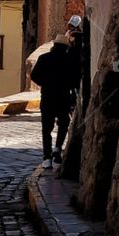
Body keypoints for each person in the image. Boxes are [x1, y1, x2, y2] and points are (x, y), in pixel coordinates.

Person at [30, 34, 78, 170]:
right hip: (63, 97)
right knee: (64, 123)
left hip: (47, 97)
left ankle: (47, 157)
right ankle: (57, 149)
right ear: (65, 47)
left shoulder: (44, 58)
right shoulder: (70, 60)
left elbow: (34, 76)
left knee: (46, 128)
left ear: (54, 45)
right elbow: (75, 80)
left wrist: (45, 84)